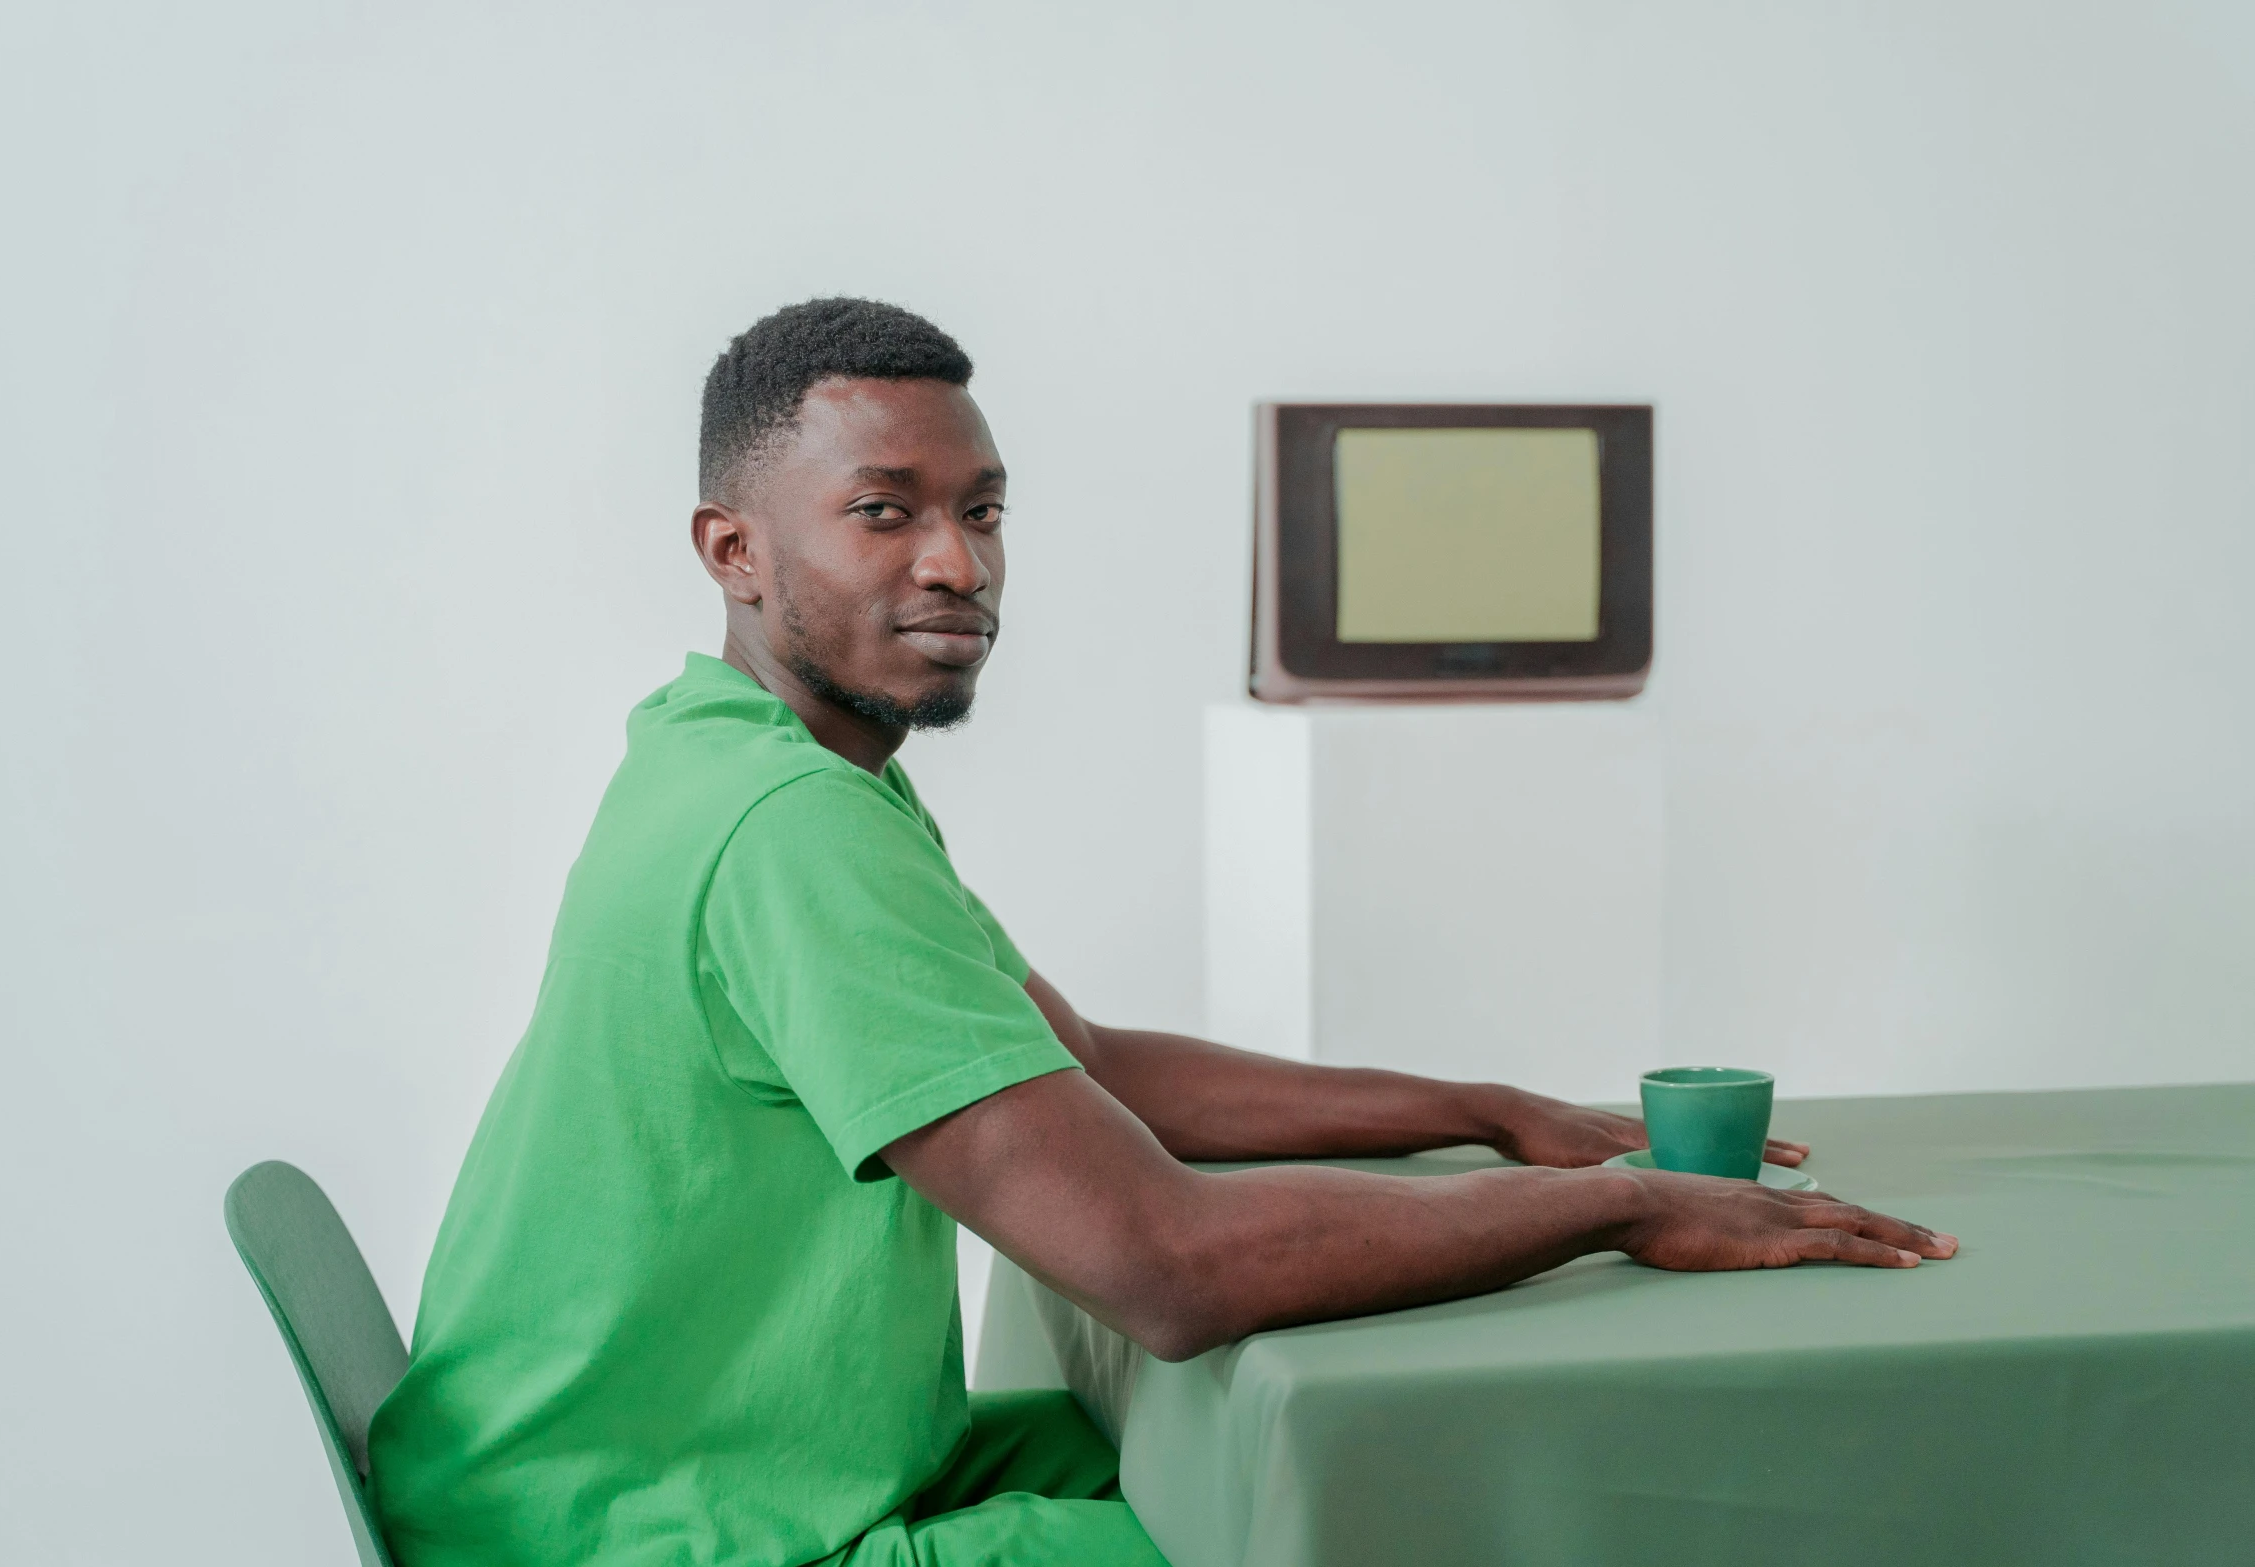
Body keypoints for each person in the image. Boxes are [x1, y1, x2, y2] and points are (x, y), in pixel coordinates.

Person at [366, 298, 1958, 1567]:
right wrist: (1610, 1207)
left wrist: (1485, 1115)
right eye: (883, 513)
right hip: (649, 1535)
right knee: (1369, 1507)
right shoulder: (789, 830)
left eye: (982, 510)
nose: (958, 562)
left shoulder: (745, 754)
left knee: (1283, 1444)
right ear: (732, 549)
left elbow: (1097, 1065)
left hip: (614, 1475)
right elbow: (1167, 1265)